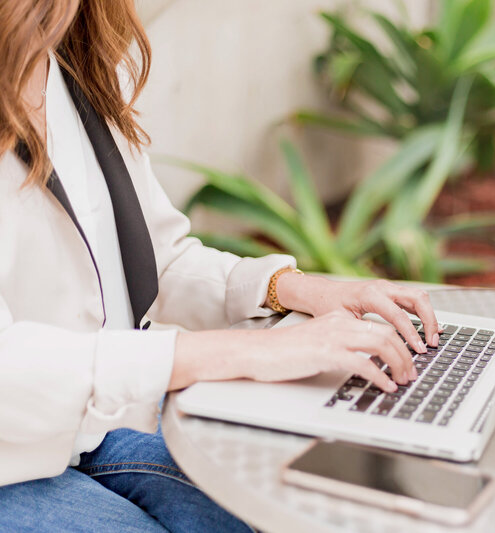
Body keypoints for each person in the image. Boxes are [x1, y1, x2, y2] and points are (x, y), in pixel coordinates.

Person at [0, 1, 440, 531]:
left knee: (288, 504)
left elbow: (153, 261)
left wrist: (290, 290)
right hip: (13, 466)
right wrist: (247, 351)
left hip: (95, 429)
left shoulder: (74, 62)